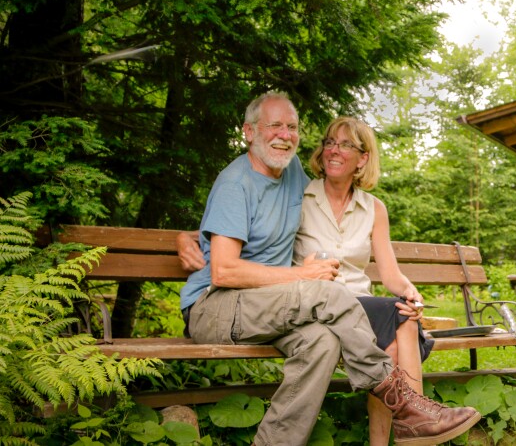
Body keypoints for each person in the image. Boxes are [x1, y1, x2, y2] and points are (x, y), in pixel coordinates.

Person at [177, 91, 479, 446]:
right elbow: (223, 272)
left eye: (292, 126)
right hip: (217, 307)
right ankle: (406, 407)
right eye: (275, 125)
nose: (285, 134)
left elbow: (227, 227)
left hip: (264, 306)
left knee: (321, 343)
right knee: (329, 292)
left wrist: (187, 235)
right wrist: (301, 275)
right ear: (248, 132)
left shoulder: (290, 175)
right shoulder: (235, 182)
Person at [294, 117, 432, 445]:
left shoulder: (374, 208)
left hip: (361, 306)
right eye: (329, 142)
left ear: (363, 158)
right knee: (397, 318)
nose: (333, 151)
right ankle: (420, 425)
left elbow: (389, 275)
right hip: (314, 302)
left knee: (399, 330)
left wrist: (412, 294)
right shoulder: (299, 196)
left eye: (345, 145)